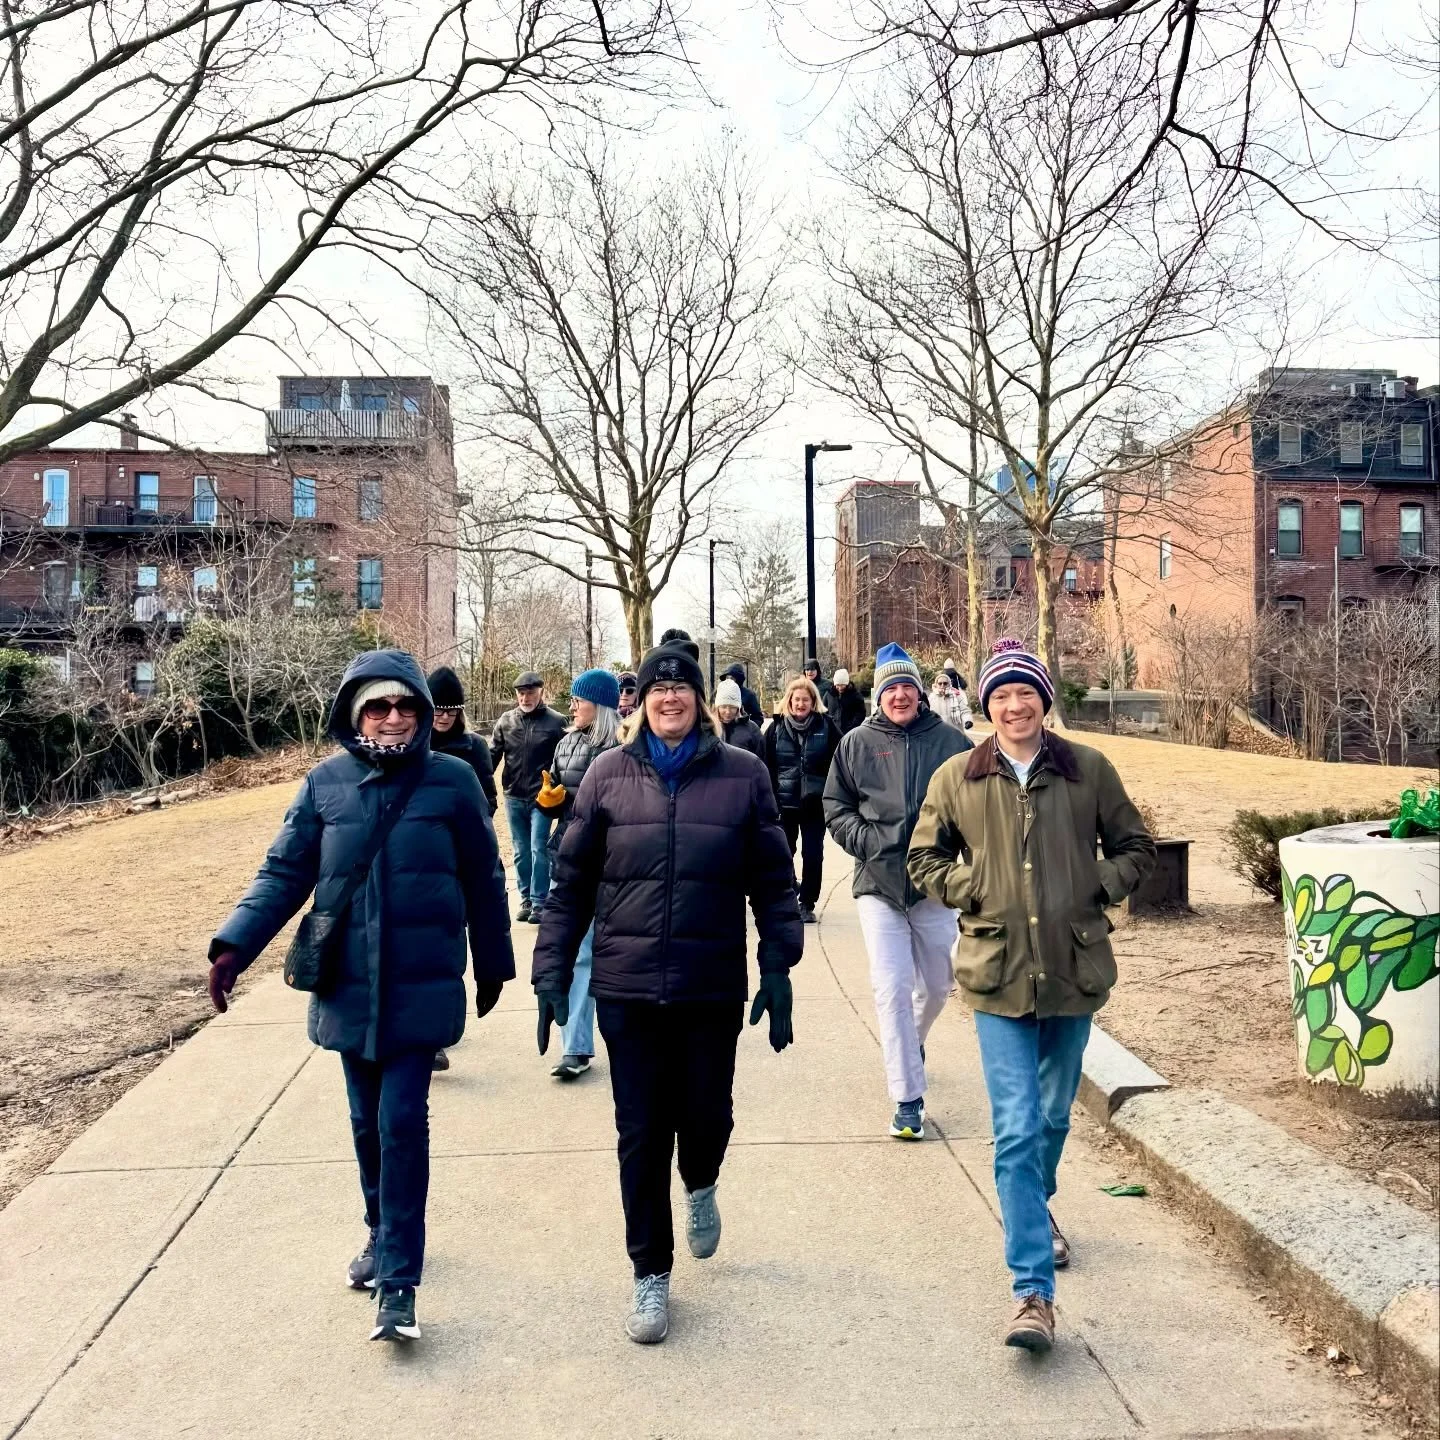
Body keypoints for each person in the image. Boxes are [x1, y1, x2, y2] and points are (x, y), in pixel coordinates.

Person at [206, 650, 513, 1344]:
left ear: (425, 713)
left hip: (421, 983)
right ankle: (380, 1232)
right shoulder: (324, 786)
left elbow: (485, 878)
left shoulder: (454, 781)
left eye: (405, 705)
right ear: (353, 713)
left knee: (403, 1122)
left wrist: (493, 964)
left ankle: (399, 1281)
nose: (394, 717)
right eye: (379, 706)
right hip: (349, 984)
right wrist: (233, 947)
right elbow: (283, 873)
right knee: (367, 1124)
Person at [532, 639, 803, 1346]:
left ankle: (704, 1181)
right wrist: (551, 970)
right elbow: (570, 887)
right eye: (659, 688)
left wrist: (778, 964)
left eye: (683, 687)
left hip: (710, 986)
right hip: (627, 989)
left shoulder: (743, 775)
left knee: (706, 1118)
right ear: (642, 700)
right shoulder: (605, 776)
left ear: (701, 700)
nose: (671, 697)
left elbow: (774, 883)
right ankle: (650, 1270)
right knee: (641, 1132)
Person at [908, 638, 1155, 1353]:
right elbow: (924, 857)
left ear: (1044, 700)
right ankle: (1031, 1293)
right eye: (1001, 696)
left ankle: (1034, 1209)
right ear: (986, 705)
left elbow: (1136, 847)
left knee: (1050, 1118)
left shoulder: (1089, 770)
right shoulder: (959, 776)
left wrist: (1095, 887)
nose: (1014, 706)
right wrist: (973, 890)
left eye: (1026, 693)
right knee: (1016, 1126)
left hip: (1073, 972)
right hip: (996, 972)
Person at [823, 642, 971, 1140]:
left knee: (936, 985)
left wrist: (959, 856)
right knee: (890, 988)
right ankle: (908, 1097)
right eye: (891, 688)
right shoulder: (857, 743)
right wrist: (865, 841)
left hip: (934, 884)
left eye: (907, 686)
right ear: (879, 695)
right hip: (878, 884)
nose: (900, 695)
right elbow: (835, 804)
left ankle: (912, 1042)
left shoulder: (950, 743)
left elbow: (976, 806)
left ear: (920, 691)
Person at [535, 667, 622, 1080]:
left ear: (601, 705)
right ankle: (575, 1047)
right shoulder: (566, 742)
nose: (571, 706)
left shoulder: (625, 746)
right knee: (578, 950)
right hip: (570, 857)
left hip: (613, 863)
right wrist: (550, 802)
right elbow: (556, 799)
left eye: (579, 699)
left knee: (612, 953)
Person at [425, 664, 499, 1072]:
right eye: (438, 709)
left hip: (462, 856)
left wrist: (464, 818)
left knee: (454, 943)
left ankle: (441, 1023)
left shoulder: (473, 747)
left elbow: (488, 798)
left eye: (452, 710)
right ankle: (432, 1038)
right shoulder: (412, 746)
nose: (444, 717)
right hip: (423, 859)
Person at [764, 675, 841, 925]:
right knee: (783, 855)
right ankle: (788, 893)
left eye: (805, 700)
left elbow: (840, 760)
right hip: (784, 805)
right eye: (796, 699)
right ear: (789, 701)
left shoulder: (826, 726)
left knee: (813, 855)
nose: (800, 704)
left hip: (814, 805)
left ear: (813, 702)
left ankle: (807, 902)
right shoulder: (776, 729)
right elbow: (765, 766)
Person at [490, 672, 566, 923]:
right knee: (521, 850)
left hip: (542, 798)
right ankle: (524, 897)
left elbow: (565, 758)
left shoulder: (557, 722)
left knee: (538, 847)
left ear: (541, 692)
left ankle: (539, 902)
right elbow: (492, 756)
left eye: (530, 693)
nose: (525, 697)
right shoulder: (506, 721)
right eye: (521, 693)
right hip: (513, 796)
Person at [714, 676, 765, 759]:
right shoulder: (708, 728)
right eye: (723, 706)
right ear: (717, 707)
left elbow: (762, 761)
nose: (728, 711)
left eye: (732, 707)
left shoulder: (752, 730)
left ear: (739, 708)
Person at [719, 661, 765, 728]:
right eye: (727, 678)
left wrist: (749, 730)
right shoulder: (719, 693)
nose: (728, 680)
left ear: (738, 679)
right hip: (721, 731)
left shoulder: (749, 695)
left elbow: (758, 717)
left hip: (742, 732)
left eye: (731, 678)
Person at [832, 668, 867, 735]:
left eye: (842, 685)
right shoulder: (830, 694)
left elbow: (860, 713)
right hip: (833, 732)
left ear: (847, 683)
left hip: (849, 732)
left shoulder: (855, 696)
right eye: (837, 685)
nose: (840, 688)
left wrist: (851, 727)